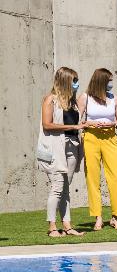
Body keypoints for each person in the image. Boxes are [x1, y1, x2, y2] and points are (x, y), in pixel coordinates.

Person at [37, 67, 84, 237]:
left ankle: (67, 225)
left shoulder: (72, 103)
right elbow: (47, 124)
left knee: (65, 188)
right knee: (57, 187)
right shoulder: (51, 100)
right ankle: (52, 227)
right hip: (56, 148)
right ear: (65, 81)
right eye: (74, 80)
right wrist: (73, 126)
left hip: (72, 147)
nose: (77, 84)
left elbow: (77, 126)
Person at [79, 67, 117, 231]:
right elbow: (78, 122)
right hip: (91, 138)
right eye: (108, 81)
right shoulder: (85, 97)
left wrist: (113, 123)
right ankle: (98, 217)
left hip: (110, 137)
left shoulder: (114, 99)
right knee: (93, 178)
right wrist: (90, 123)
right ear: (100, 82)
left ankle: (115, 216)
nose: (111, 84)